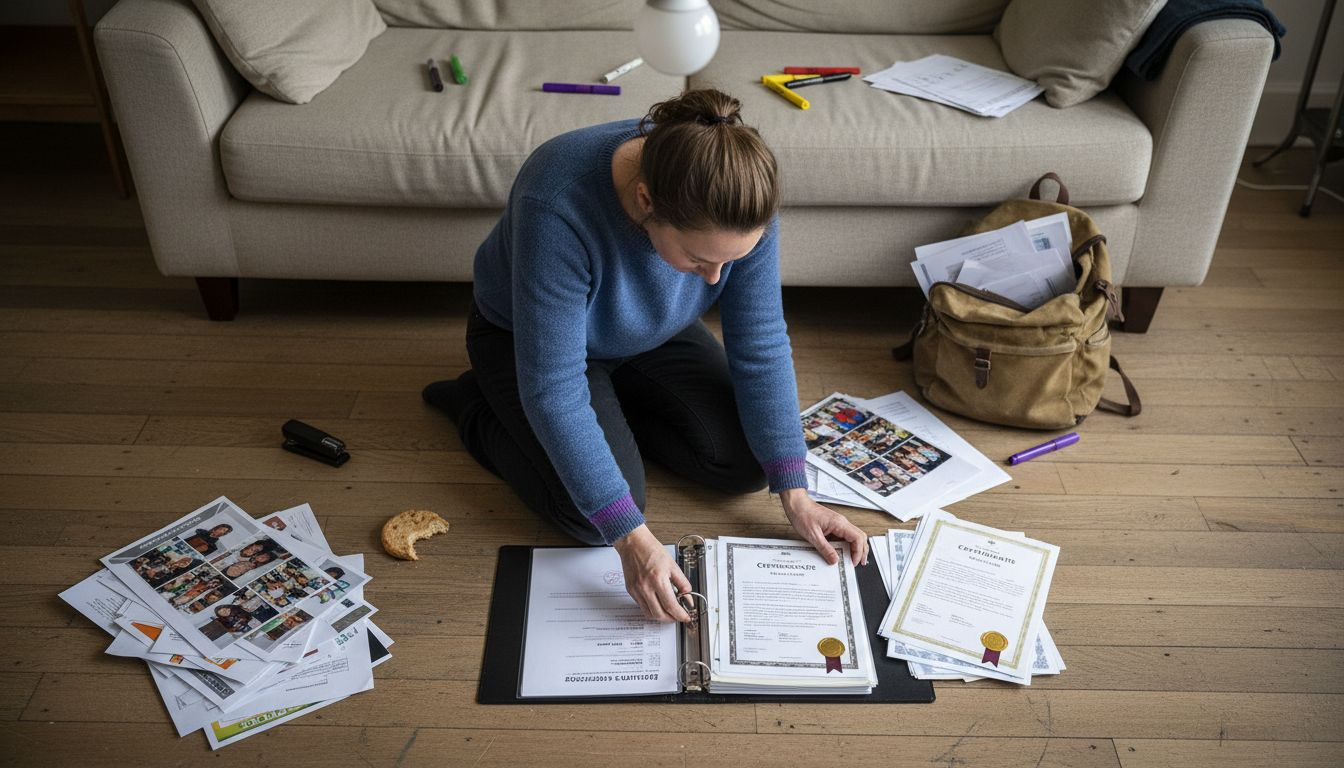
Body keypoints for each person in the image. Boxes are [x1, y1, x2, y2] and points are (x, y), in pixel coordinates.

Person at [421, 89, 868, 624]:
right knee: (591, 520)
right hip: (528, 343)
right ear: (645, 200)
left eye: (729, 262)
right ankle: (477, 402)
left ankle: (610, 422)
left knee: (750, 464)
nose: (714, 280)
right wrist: (632, 539)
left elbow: (761, 341)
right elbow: (556, 388)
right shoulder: (557, 198)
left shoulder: (740, 197)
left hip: (653, 332)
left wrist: (797, 495)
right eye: (700, 259)